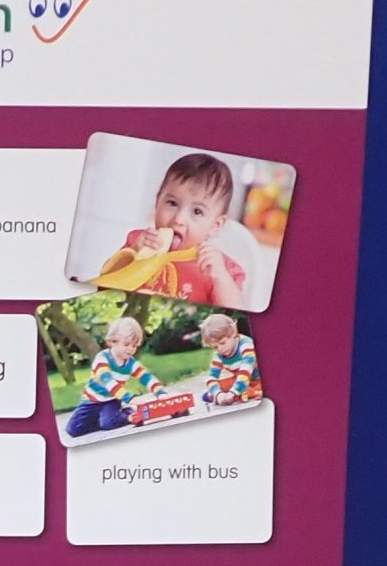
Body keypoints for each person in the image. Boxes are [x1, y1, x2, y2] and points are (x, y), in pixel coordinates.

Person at [91, 152, 249, 308]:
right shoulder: (139, 241)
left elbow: (237, 312)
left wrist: (220, 277)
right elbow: (104, 283)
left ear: (216, 225)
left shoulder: (220, 267)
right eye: (172, 203)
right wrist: (134, 252)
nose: (178, 219)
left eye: (197, 212)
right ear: (157, 202)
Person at [65, 317, 153, 439]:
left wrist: (161, 392)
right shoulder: (101, 359)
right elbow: (108, 381)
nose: (130, 349)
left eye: (134, 345)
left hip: (111, 400)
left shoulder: (130, 363)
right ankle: (106, 419)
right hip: (91, 400)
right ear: (112, 342)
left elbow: (146, 377)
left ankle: (128, 414)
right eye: (126, 344)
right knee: (73, 430)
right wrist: (130, 398)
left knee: (109, 423)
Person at [198, 313, 264, 406]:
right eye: (215, 347)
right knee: (222, 385)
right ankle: (231, 395)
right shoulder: (219, 354)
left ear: (233, 333)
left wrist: (233, 392)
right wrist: (218, 393)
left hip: (259, 378)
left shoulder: (246, 345)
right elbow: (211, 377)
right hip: (241, 380)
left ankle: (248, 393)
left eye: (223, 343)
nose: (220, 349)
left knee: (254, 387)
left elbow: (246, 370)